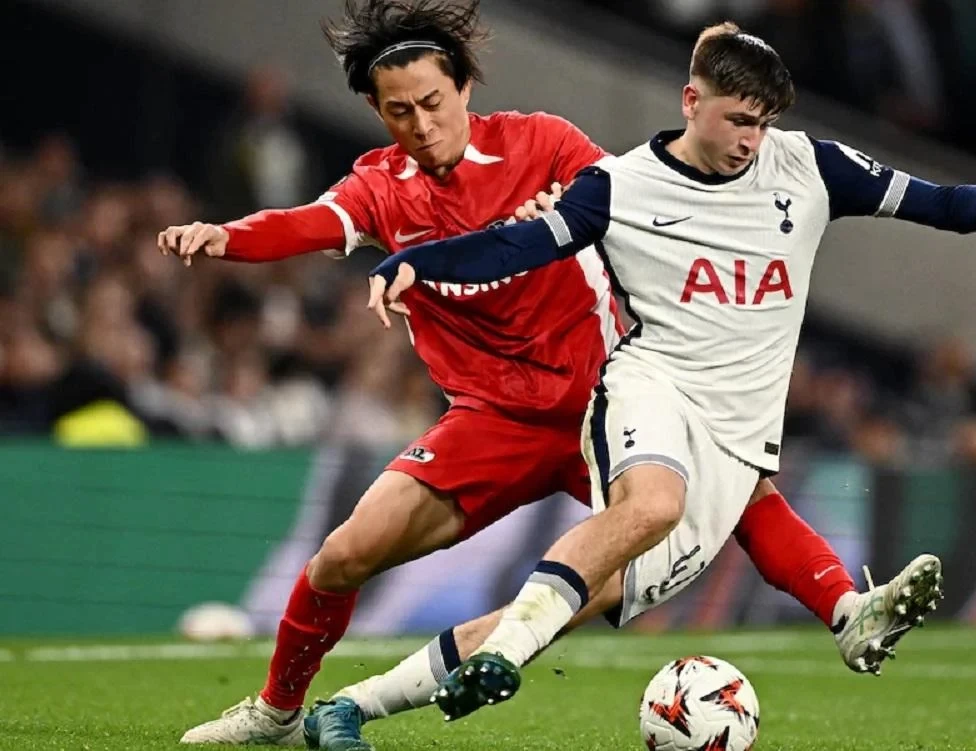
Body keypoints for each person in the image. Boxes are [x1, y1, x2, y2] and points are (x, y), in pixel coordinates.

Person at [161, 3, 869, 745]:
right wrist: (225, 235)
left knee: (741, 494)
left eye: (433, 102)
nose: (421, 124)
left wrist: (576, 204)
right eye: (399, 111)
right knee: (342, 556)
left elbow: (641, 193)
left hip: (606, 399)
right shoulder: (379, 188)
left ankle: (850, 613)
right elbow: (307, 222)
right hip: (492, 421)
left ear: (465, 88)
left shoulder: (543, 143)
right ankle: (276, 711)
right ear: (375, 109)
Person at [366, 21, 976, 724]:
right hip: (650, 387)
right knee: (653, 505)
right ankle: (507, 655)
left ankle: (360, 703)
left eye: (763, 123)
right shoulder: (620, 186)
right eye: (739, 120)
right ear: (691, 101)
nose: (751, 140)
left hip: (737, 420)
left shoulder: (808, 167)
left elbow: (936, 201)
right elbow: (513, 249)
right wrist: (413, 263)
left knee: (637, 568)